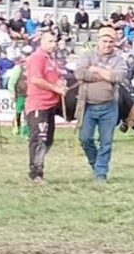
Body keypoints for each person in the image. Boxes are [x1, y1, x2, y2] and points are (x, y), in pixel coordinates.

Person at [74, 26, 127, 183]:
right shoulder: (87, 55)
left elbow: (119, 76)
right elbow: (80, 73)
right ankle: (95, 163)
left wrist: (96, 70)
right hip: (88, 105)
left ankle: (101, 173)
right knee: (85, 138)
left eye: (111, 42)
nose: (108, 44)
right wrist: (106, 76)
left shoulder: (119, 59)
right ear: (99, 40)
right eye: (105, 41)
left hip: (109, 106)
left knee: (106, 142)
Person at [25, 32, 67, 184]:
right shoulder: (37, 57)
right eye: (50, 41)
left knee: (48, 140)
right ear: (41, 42)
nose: (53, 44)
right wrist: (55, 88)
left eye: (54, 41)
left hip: (50, 105)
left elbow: (55, 78)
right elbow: (36, 79)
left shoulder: (52, 60)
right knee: (39, 139)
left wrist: (61, 83)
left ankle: (38, 168)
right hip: (39, 104)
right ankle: (36, 173)